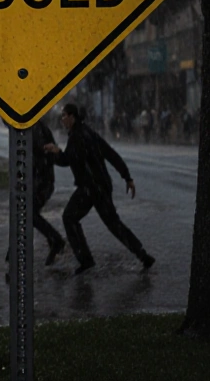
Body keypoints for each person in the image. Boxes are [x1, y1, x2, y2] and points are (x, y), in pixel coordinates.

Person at [45, 103, 155, 275]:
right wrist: (126, 176)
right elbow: (110, 153)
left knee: (69, 217)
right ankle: (142, 255)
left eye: (64, 116)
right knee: (114, 224)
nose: (62, 119)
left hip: (91, 188)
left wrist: (55, 152)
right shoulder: (87, 132)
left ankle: (86, 260)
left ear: (72, 117)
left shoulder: (78, 136)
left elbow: (69, 160)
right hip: (101, 186)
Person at [30, 120, 68, 266]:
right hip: (37, 181)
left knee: (29, 214)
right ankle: (54, 240)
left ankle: (56, 240)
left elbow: (45, 152)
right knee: (26, 213)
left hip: (42, 182)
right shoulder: (35, 127)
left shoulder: (38, 129)